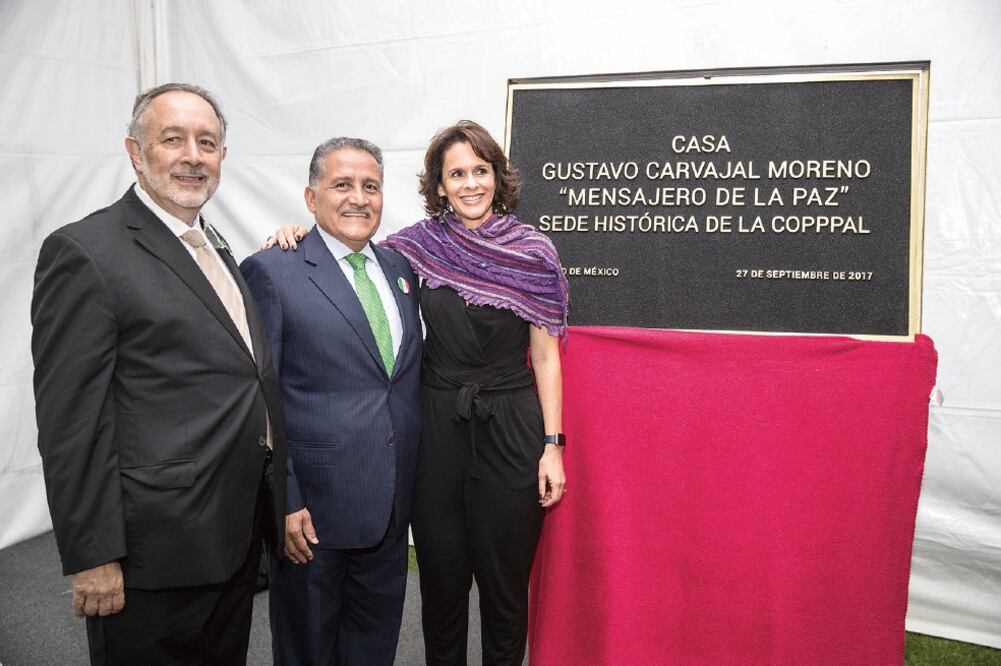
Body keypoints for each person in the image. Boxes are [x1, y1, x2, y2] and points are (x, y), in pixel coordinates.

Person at [267, 120, 569, 665]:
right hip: (436, 433)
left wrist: (552, 444)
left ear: (498, 178)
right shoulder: (416, 249)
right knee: (441, 585)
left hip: (511, 428)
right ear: (439, 185)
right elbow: (346, 255)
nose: (470, 183)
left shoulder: (534, 253)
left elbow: (546, 355)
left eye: (480, 170)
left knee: (504, 589)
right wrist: (297, 234)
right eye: (457, 173)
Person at [30, 83, 287, 665]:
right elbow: (71, 422)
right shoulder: (85, 251)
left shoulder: (212, 243)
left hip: (231, 535)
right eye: (172, 139)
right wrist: (92, 555)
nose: (193, 155)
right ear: (134, 150)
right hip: (153, 553)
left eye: (208, 142)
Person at [241, 137, 423, 665]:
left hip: (390, 508)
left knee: (374, 645)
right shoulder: (273, 269)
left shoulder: (398, 270)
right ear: (310, 196)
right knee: (309, 648)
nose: (358, 198)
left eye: (371, 186)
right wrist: (285, 498)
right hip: (312, 513)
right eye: (342, 184)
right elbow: (261, 393)